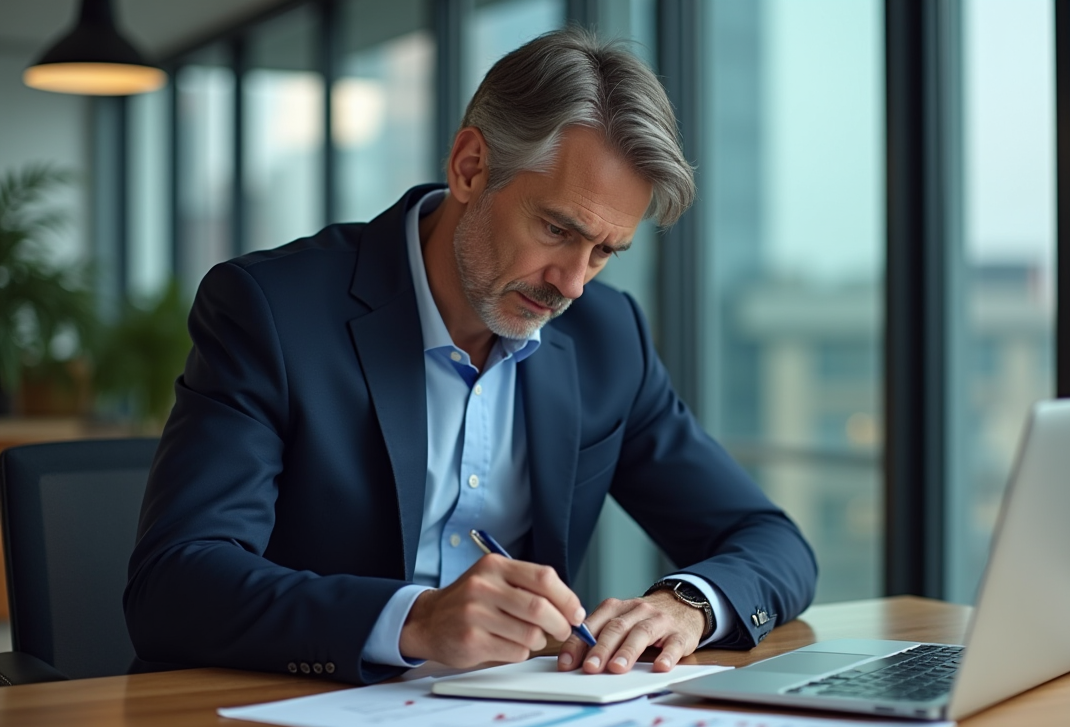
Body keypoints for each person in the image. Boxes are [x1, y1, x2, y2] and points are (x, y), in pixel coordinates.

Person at [125, 27, 817, 685]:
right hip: (290, 723)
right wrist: (414, 621)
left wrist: (688, 603)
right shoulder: (271, 311)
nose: (573, 283)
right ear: (469, 167)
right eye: (556, 229)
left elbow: (769, 540)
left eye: (605, 251)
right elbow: (175, 581)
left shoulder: (610, 338)